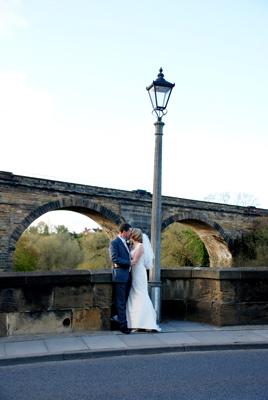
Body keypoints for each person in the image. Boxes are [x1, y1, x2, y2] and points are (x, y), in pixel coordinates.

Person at [126, 228, 161, 332]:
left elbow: (135, 261)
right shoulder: (131, 246)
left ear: (134, 235)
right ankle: (135, 322)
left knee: (140, 294)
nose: (129, 234)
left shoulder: (140, 247)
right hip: (133, 273)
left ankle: (146, 322)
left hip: (139, 274)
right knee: (133, 295)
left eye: (131, 233)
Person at [109, 222, 136, 334]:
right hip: (120, 276)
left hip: (127, 276)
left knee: (125, 301)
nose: (131, 233)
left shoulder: (127, 242)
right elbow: (114, 258)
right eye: (130, 231)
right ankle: (123, 326)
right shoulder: (114, 243)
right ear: (124, 231)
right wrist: (128, 263)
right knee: (120, 302)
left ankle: (123, 321)